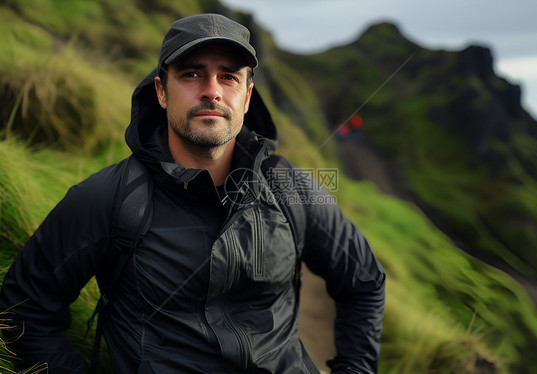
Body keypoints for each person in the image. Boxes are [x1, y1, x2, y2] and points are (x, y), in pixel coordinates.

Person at [0, 13, 386, 373]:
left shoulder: (291, 188)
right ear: (162, 91)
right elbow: (25, 309)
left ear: (247, 97)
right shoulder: (108, 197)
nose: (212, 92)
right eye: (191, 74)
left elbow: (364, 280)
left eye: (229, 77)